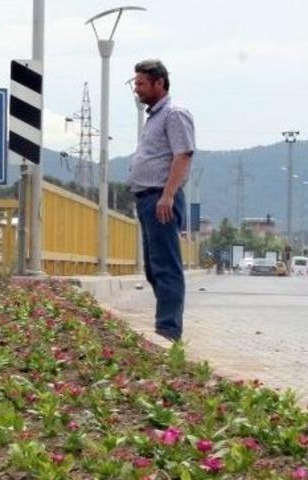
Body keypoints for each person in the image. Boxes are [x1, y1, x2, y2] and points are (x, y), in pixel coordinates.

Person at [128, 59, 196, 342]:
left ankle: (168, 331)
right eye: (136, 83)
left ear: (160, 83)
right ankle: (166, 325)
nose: (136, 88)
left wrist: (168, 195)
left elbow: (183, 155)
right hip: (148, 199)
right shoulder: (155, 117)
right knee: (154, 268)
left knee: (166, 267)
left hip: (161, 200)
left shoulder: (174, 114)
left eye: (141, 83)